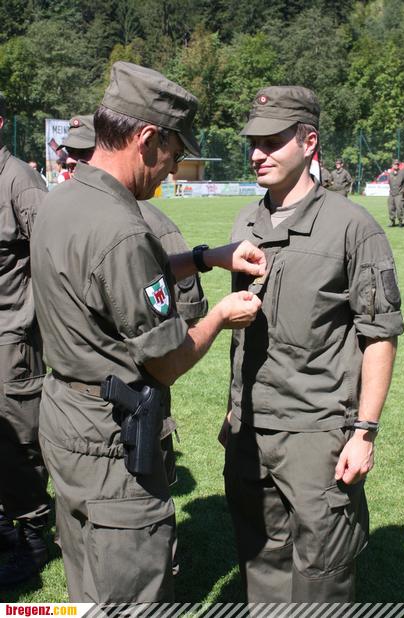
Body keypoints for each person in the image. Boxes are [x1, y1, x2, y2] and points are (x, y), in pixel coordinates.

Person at [31, 61, 264, 603]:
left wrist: (205, 258)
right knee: (132, 591)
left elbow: (110, 281)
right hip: (111, 442)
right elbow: (166, 361)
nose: (173, 169)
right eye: (174, 154)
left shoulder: (64, 198)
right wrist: (219, 316)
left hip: (65, 416)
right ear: (147, 139)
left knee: (88, 586)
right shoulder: (121, 229)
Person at [221, 85, 404, 602]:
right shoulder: (246, 221)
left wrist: (364, 432)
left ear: (309, 142)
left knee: (322, 580)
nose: (257, 154)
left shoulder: (352, 227)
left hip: (317, 435)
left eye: (272, 142)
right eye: (253, 143)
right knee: (261, 567)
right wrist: (234, 409)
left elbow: (379, 335)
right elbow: (247, 334)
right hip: (250, 432)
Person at [0, 92, 50, 587]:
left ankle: (33, 533)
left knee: (17, 438)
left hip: (12, 335)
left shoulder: (19, 180)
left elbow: (52, 254)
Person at [387, 159, 404, 227]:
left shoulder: (402, 173)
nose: (396, 165)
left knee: (399, 209)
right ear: (392, 165)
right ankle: (392, 222)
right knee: (391, 208)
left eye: (397, 164)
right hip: (391, 194)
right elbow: (389, 183)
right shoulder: (390, 174)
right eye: (395, 164)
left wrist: (402, 191)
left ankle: (400, 222)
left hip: (399, 194)